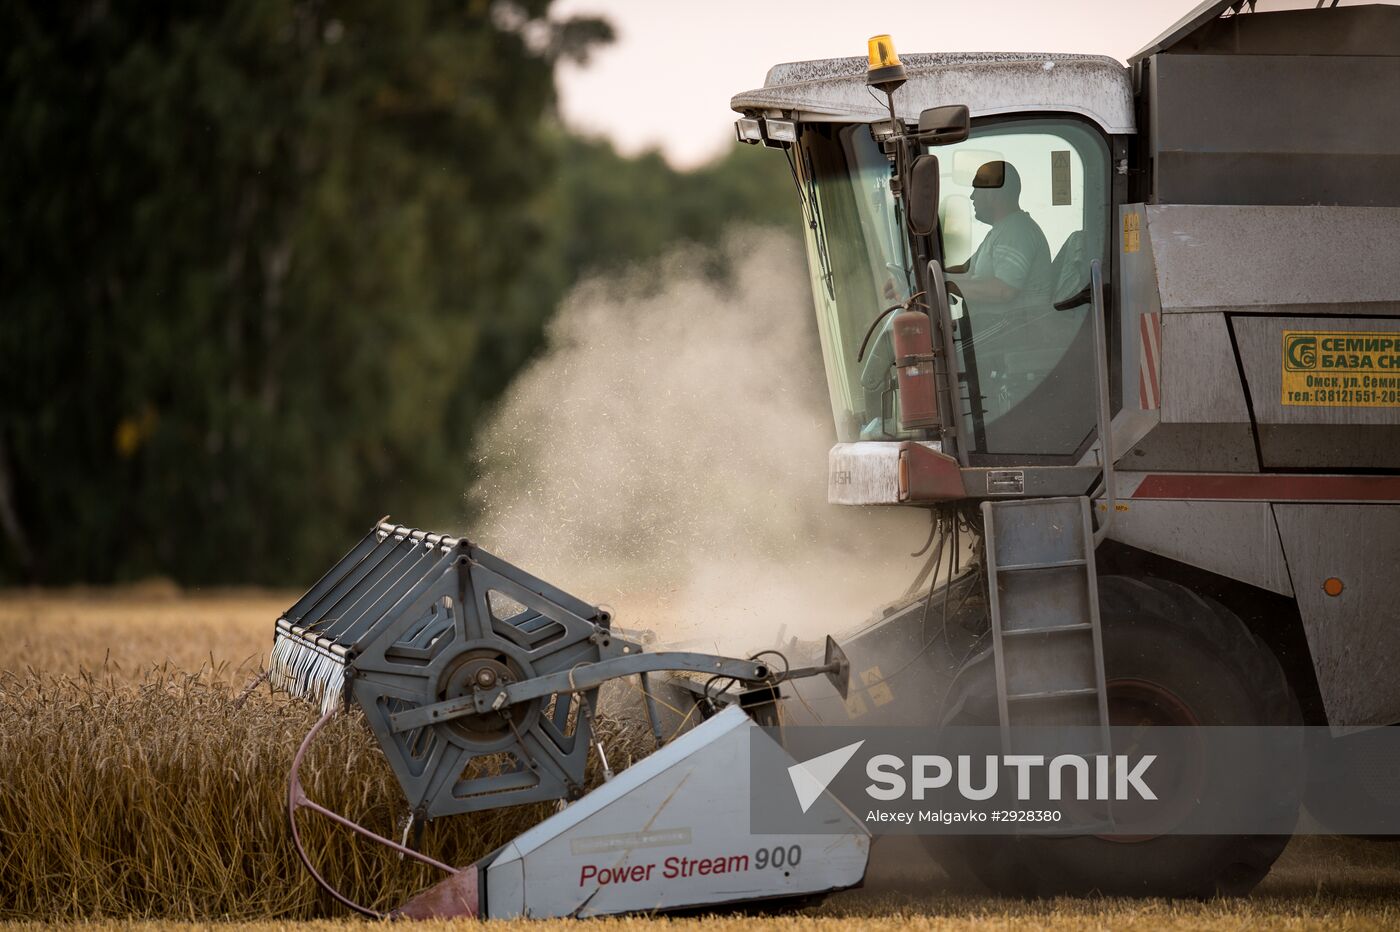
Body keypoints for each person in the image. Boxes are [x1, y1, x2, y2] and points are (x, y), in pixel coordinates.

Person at [944, 160, 1052, 318]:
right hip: (999, 329)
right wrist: (931, 279)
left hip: (1015, 332)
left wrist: (946, 287)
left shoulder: (1016, 230)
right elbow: (966, 272)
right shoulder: (1001, 230)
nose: (972, 196)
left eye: (976, 189)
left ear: (992, 193)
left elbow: (1004, 290)